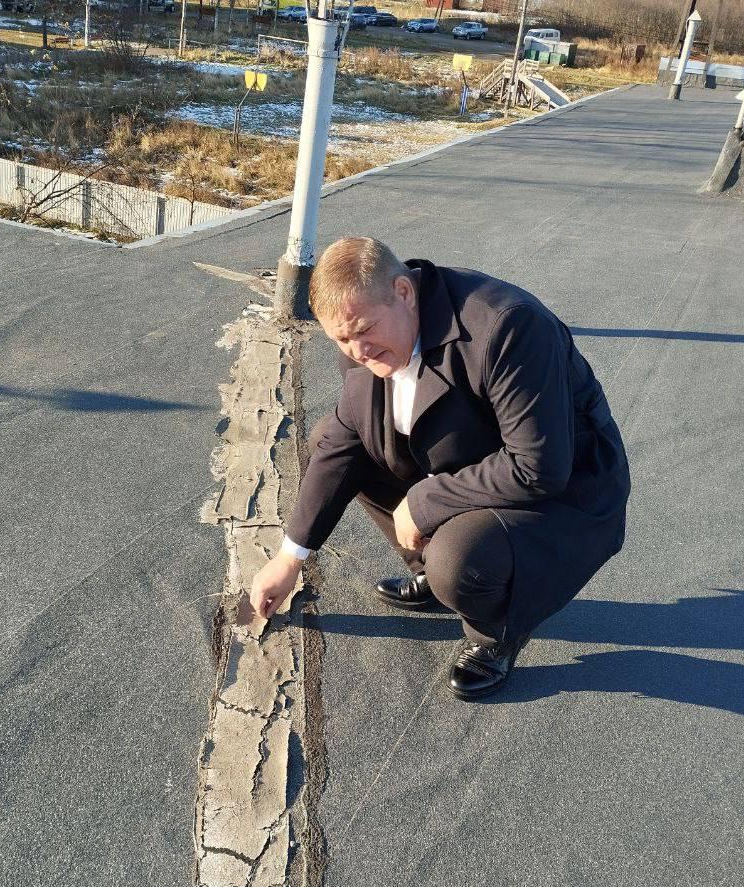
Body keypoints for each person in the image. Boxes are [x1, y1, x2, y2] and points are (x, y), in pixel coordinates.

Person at [249, 237, 631, 700]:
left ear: (404, 292)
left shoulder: (508, 326)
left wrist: (424, 501)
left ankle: (495, 631)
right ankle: (432, 575)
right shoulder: (360, 332)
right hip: (476, 455)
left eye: (363, 331)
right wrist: (290, 558)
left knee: (458, 558)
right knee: (338, 440)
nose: (357, 350)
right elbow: (340, 445)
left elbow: (538, 466)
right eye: (341, 339)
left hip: (568, 488)